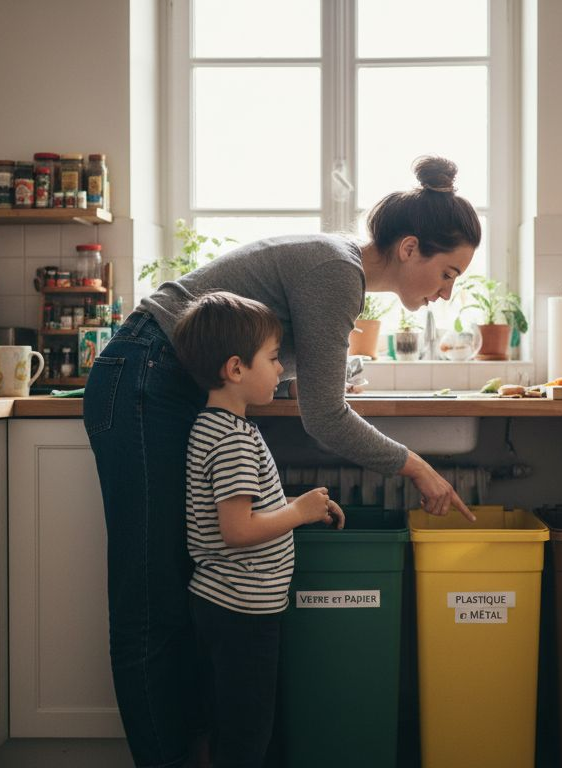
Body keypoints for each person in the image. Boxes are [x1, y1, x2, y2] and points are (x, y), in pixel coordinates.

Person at [83, 155, 480, 766]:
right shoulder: (335, 274)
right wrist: (417, 467)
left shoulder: (338, 271)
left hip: (162, 378)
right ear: (409, 248)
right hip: (144, 374)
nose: (447, 292)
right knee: (150, 598)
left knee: (175, 587)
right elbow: (325, 416)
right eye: (448, 272)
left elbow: (299, 379)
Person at [172, 291, 345, 767]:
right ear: (235, 370)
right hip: (242, 611)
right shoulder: (232, 441)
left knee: (222, 719)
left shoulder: (216, 427)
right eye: (272, 359)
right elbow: (237, 531)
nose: (280, 369)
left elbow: (245, 509)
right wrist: (300, 513)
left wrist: (296, 505)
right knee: (248, 732)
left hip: (223, 605)